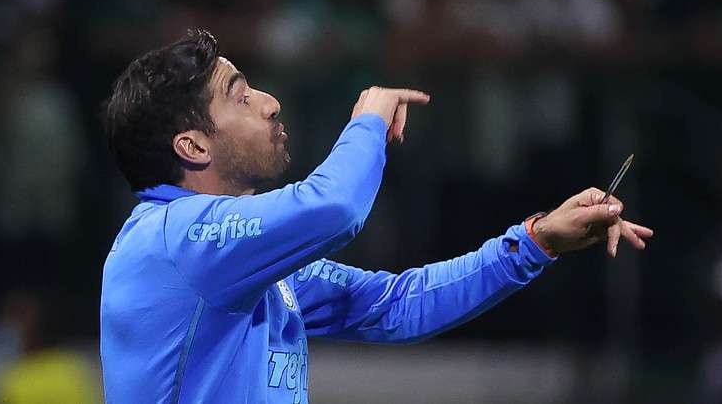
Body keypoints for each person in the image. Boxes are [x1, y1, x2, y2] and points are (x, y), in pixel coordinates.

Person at [99, 29, 653, 404]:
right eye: (241, 97)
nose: (270, 102)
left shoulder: (249, 262)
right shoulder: (174, 239)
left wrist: (535, 241)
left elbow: (397, 305)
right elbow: (335, 207)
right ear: (193, 146)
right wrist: (366, 123)